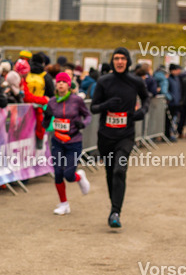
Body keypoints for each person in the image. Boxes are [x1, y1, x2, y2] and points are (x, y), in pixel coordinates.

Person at [89, 46, 149, 229]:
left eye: (123, 58)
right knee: (110, 172)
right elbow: (94, 107)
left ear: (128, 61)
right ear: (113, 61)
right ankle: (114, 205)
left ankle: (115, 212)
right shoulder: (104, 81)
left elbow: (146, 99)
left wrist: (142, 111)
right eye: (116, 58)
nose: (120, 62)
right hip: (106, 135)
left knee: (119, 170)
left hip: (126, 135)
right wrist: (106, 105)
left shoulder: (136, 81)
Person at [43, 71, 91, 214]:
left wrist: (83, 123)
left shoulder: (77, 100)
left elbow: (87, 115)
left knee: (69, 175)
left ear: (69, 85)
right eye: (58, 82)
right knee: (58, 172)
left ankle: (79, 176)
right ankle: (63, 204)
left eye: (64, 82)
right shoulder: (51, 102)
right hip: (57, 140)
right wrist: (46, 117)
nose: (61, 84)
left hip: (73, 141)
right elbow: (45, 125)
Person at [164, 64, 182, 141]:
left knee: (174, 120)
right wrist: (170, 98)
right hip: (171, 103)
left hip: (176, 102)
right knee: (168, 120)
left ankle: (172, 133)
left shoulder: (177, 79)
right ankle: (167, 134)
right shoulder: (168, 79)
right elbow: (166, 90)